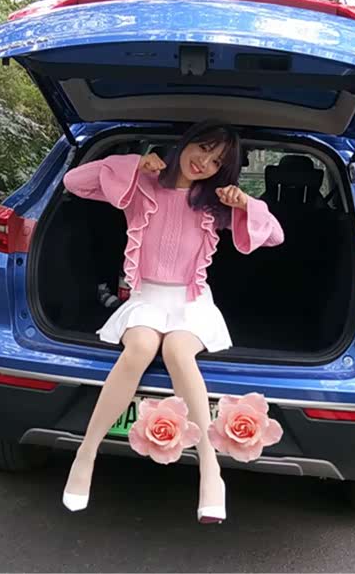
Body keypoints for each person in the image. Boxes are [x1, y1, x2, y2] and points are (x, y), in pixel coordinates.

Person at [60, 121, 284, 523]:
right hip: (146, 298)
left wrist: (245, 204)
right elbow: (74, 182)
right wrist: (133, 163)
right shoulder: (142, 185)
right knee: (141, 347)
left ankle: (209, 468)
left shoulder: (214, 203)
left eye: (217, 161)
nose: (205, 162)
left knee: (179, 351)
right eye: (203, 148)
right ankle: (86, 453)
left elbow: (275, 237)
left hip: (191, 301)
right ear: (186, 142)